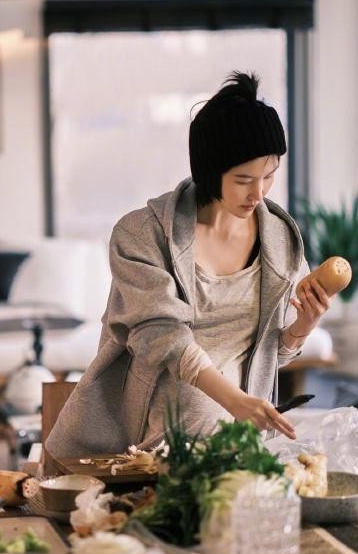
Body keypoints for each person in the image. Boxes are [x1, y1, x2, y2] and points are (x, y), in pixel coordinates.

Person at [46, 72, 331, 457]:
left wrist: (301, 328)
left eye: (270, 175)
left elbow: (270, 354)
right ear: (210, 172)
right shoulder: (141, 234)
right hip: (147, 446)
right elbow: (160, 337)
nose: (259, 193)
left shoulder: (280, 240)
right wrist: (234, 400)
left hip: (240, 445)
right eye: (244, 179)